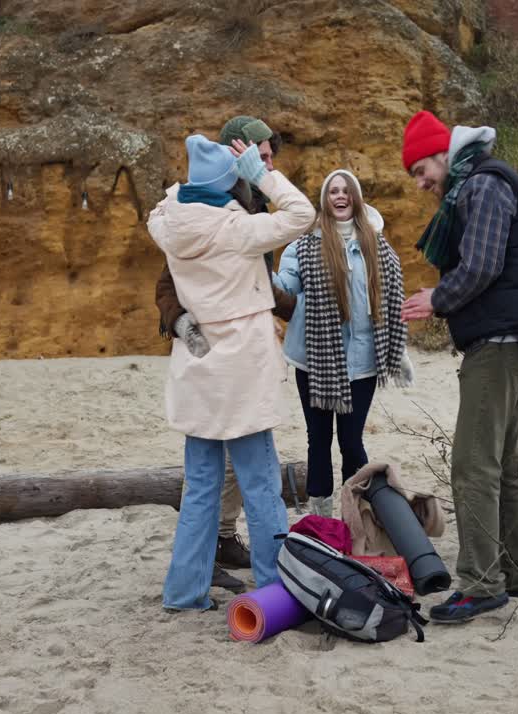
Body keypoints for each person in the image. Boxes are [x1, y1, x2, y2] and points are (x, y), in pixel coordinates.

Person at [399, 110, 518, 624]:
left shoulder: (484, 184)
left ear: (444, 152)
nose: (421, 182)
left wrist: (438, 298)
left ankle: (482, 584)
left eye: (421, 169)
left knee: (471, 467)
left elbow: (483, 265)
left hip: (500, 342)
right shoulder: (479, 182)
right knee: (504, 467)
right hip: (513, 340)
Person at [149, 132, 315, 612]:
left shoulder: (169, 222)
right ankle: (274, 591)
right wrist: (260, 173)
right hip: (242, 371)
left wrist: (188, 184)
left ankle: (184, 593)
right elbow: (302, 213)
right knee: (261, 484)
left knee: (200, 486)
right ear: (230, 182)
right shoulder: (238, 230)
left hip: (198, 370)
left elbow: (160, 207)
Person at [274, 170, 411, 517]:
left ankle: (356, 515)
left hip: (362, 362)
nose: (340, 196)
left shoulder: (376, 245)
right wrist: (262, 270)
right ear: (325, 199)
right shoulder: (303, 247)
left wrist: (401, 353)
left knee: (351, 442)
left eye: (346, 191)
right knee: (318, 440)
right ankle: (321, 518)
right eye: (333, 191)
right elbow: (285, 288)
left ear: (356, 198)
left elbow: (392, 302)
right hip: (314, 360)